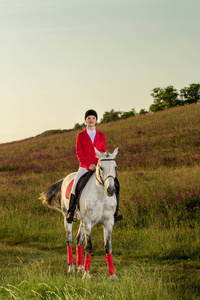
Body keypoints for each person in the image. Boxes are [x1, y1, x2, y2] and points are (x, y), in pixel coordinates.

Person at [66, 109, 123, 223]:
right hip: (84, 167)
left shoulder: (101, 135)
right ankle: (71, 211)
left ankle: (115, 211)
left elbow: (103, 151)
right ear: (85, 120)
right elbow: (79, 152)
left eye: (93, 118)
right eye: (89, 118)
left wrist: (100, 164)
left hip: (99, 167)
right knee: (75, 185)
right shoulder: (80, 135)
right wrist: (88, 165)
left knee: (115, 182)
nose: (91, 120)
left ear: (96, 120)